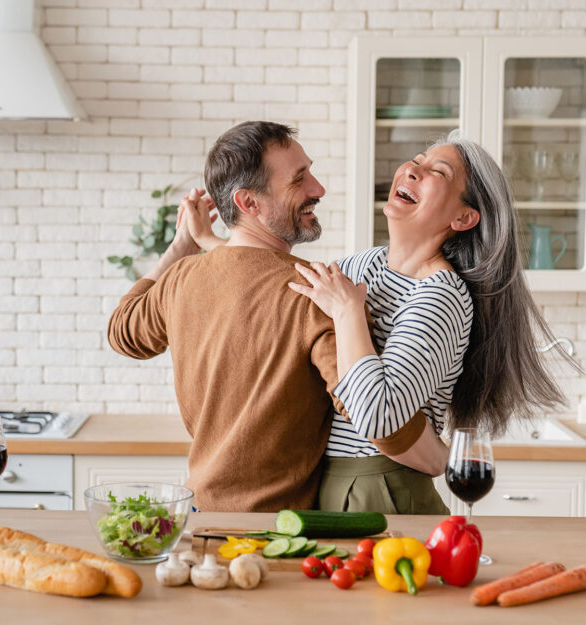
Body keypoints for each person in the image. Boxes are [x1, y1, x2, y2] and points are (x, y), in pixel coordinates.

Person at [107, 121, 428, 512]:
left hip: (198, 518)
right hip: (274, 534)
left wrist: (180, 247)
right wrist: (447, 458)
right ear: (249, 203)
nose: (318, 189)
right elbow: (380, 421)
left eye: (309, 170)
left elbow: (122, 332)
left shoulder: (181, 279)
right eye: (298, 180)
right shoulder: (312, 293)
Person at [282, 130, 574, 513]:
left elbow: (378, 417)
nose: (412, 171)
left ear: (463, 217)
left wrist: (349, 313)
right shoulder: (360, 265)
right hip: (325, 481)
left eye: (438, 171)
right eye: (416, 160)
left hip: (383, 489)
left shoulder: (441, 296)